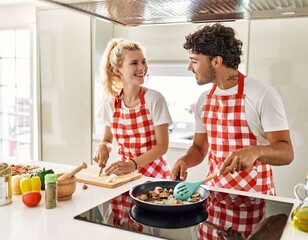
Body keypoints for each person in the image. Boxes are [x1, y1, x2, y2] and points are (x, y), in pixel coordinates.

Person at [170, 22, 294, 194]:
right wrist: (185, 160)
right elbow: (199, 148)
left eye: (194, 61)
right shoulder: (204, 100)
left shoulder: (262, 94)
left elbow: (287, 153)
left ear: (217, 61)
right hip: (214, 196)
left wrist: (255, 151)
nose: (189, 67)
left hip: (255, 199)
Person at [93, 38, 172, 179]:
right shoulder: (111, 103)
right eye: (134, 63)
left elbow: (162, 146)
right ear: (118, 70)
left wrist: (132, 164)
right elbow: (107, 140)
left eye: (143, 61)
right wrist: (103, 147)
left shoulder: (154, 99)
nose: (142, 67)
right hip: (124, 175)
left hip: (155, 177)